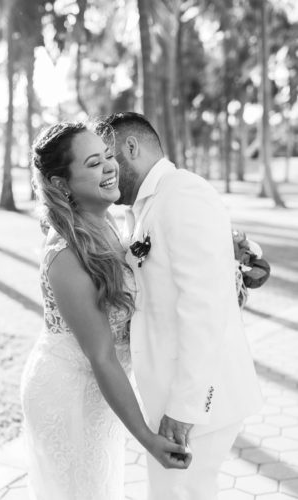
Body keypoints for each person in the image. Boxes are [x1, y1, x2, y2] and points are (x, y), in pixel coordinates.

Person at [96, 112, 263, 500]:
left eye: (107, 157)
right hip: (177, 396)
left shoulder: (183, 193)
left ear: (130, 148)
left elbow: (205, 308)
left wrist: (186, 407)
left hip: (202, 402)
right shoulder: (142, 208)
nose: (104, 170)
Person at [20, 122, 188, 500]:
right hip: (69, 392)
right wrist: (147, 438)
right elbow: (101, 356)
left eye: (108, 155)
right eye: (94, 163)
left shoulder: (104, 220)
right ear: (62, 184)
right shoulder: (66, 254)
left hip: (99, 392)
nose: (110, 166)